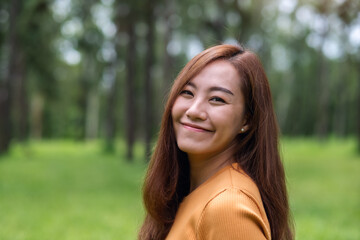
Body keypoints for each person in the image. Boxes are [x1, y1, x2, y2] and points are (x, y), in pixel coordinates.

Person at [138, 44, 293, 240]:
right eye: (187, 92)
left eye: (217, 99)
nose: (194, 111)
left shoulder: (228, 207)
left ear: (247, 120)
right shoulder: (192, 192)